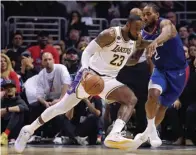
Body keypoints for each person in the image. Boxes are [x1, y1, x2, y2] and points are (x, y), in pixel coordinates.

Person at [14, 14, 152, 153]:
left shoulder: (135, 38)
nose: (139, 33)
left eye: (140, 30)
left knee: (131, 99)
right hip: (90, 76)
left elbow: (128, 60)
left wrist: (150, 47)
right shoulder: (110, 34)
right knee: (61, 107)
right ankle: (28, 130)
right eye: (136, 29)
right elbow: (87, 52)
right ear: (128, 25)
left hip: (109, 79)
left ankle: (114, 134)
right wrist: (86, 70)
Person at [133, 3, 190, 148]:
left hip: (179, 72)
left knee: (163, 106)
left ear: (157, 15)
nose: (145, 17)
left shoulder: (165, 23)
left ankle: (148, 133)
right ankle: (152, 130)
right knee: (153, 94)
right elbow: (134, 57)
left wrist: (155, 42)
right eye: (143, 15)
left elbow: (168, 33)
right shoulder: (143, 34)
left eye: (148, 14)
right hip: (160, 70)